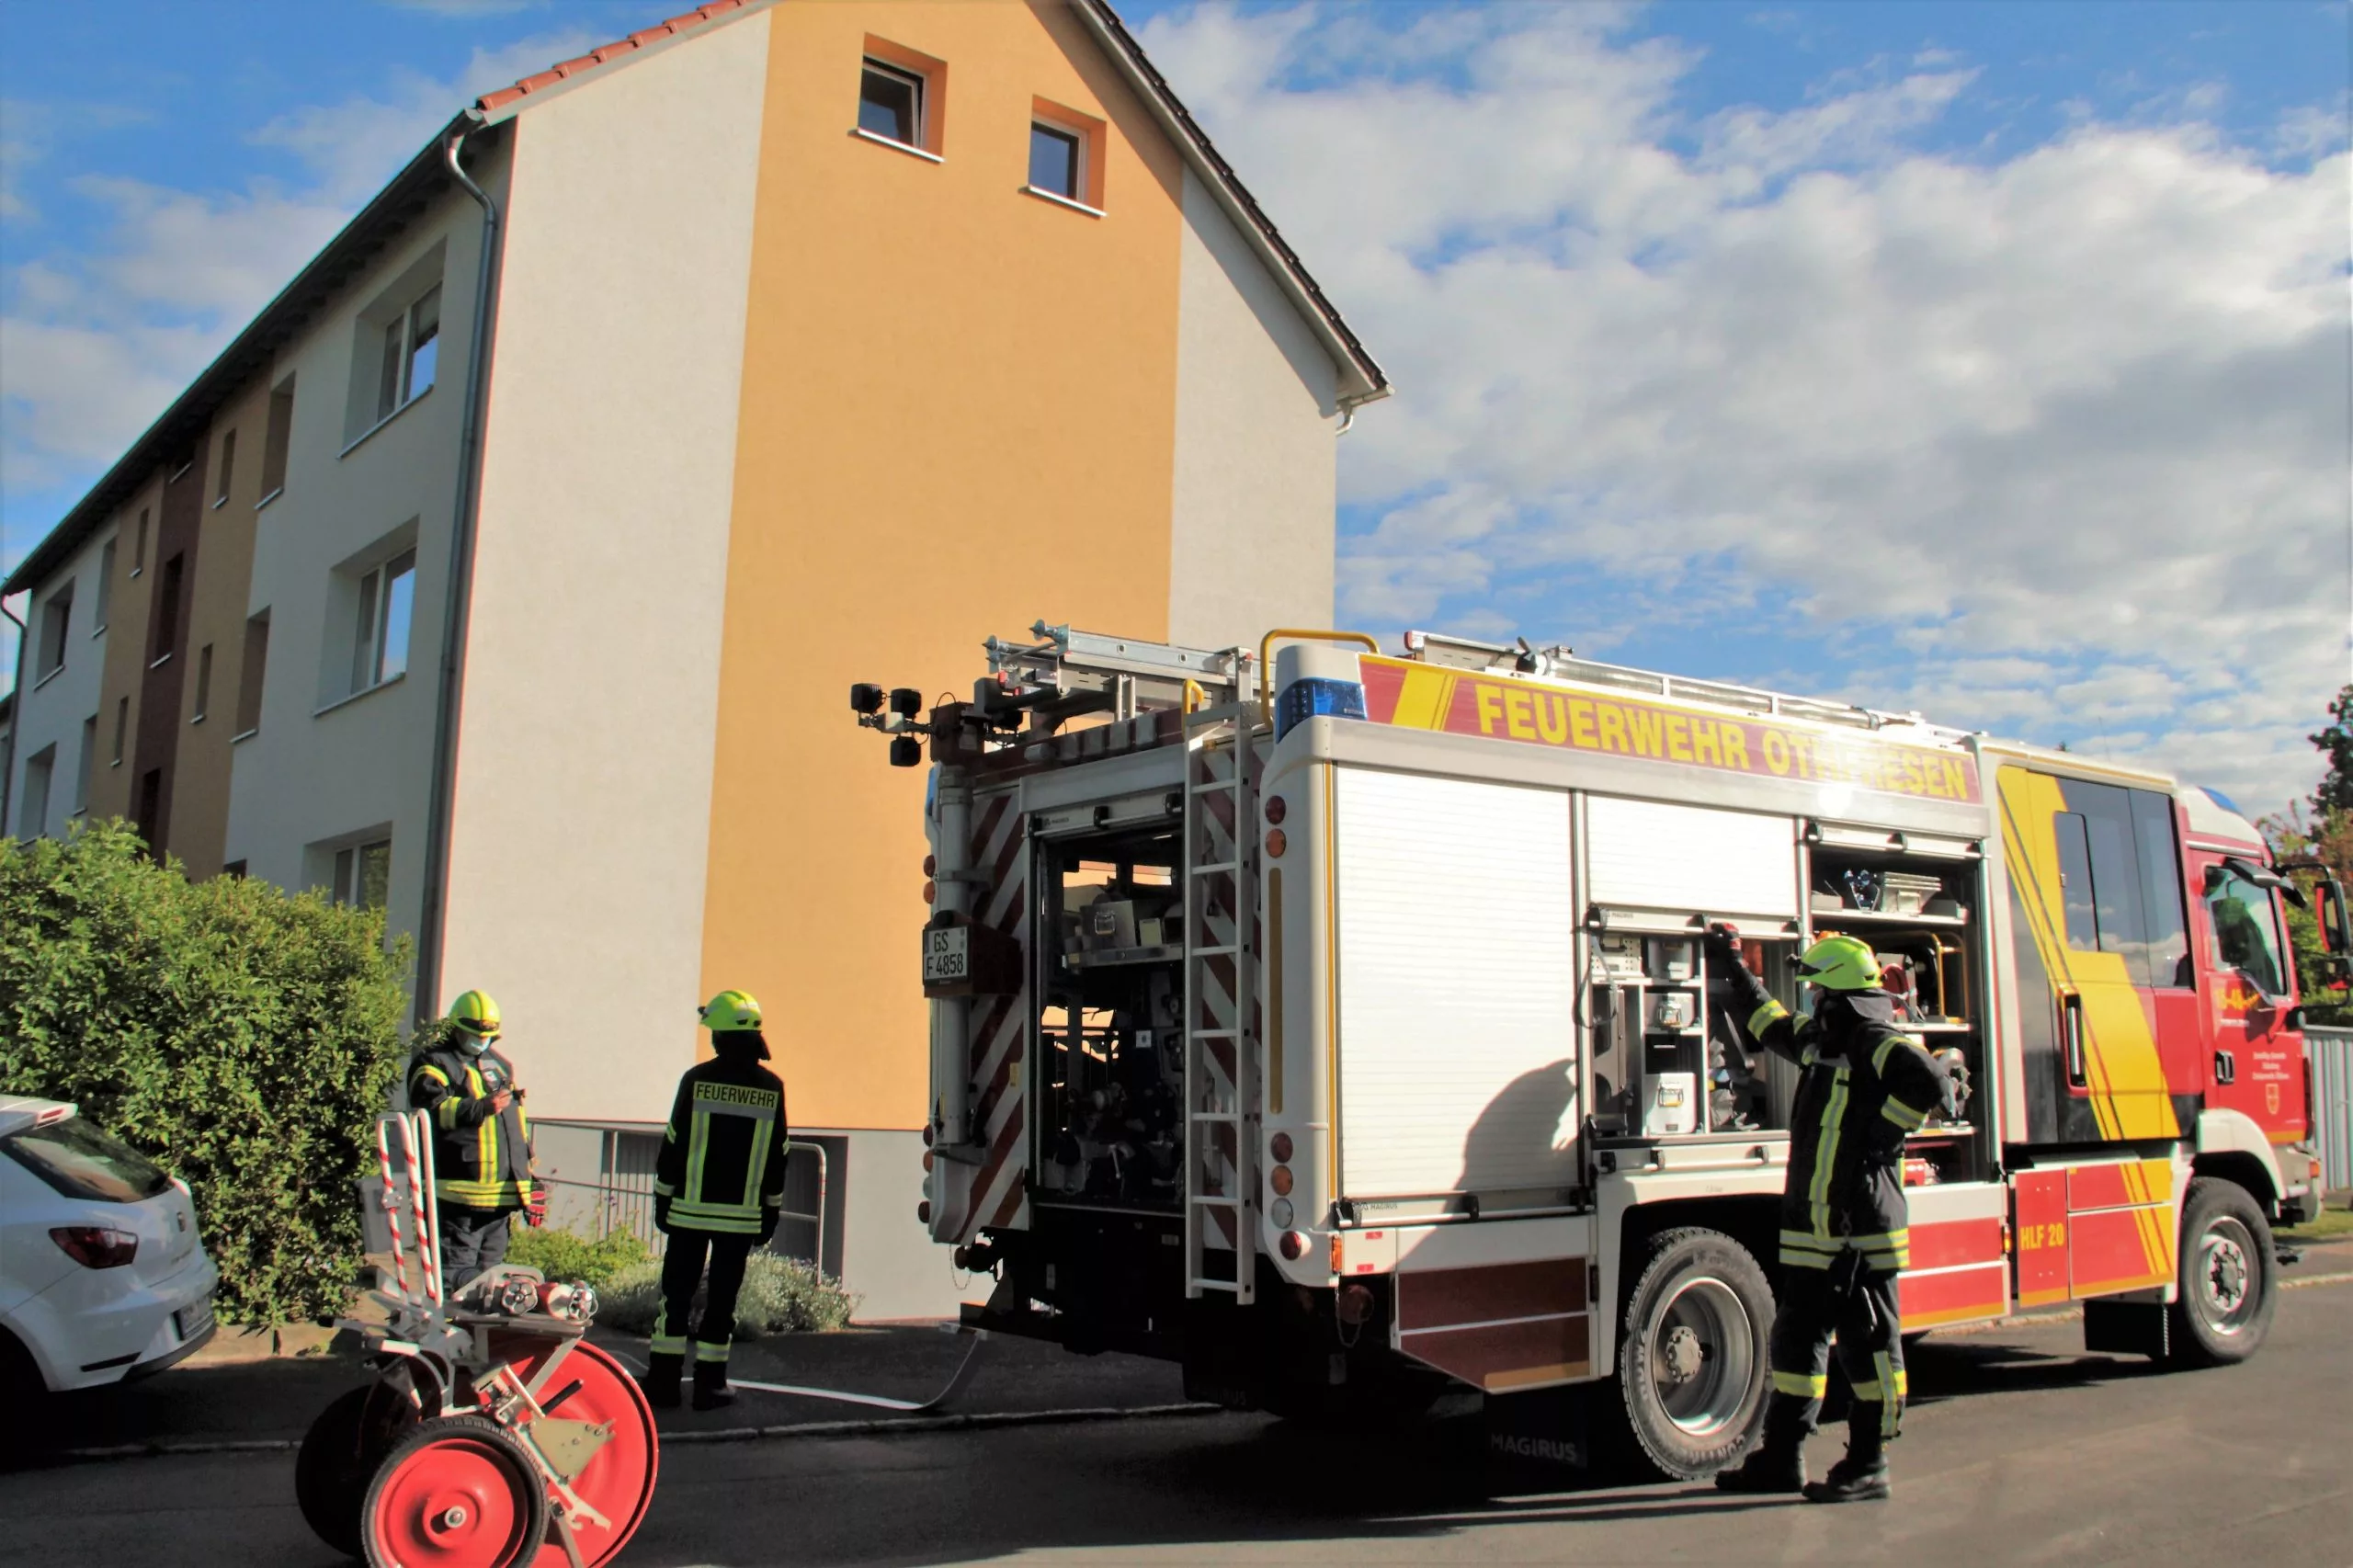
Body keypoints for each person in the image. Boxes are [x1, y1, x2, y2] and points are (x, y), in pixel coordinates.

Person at [1707, 930, 1951, 1504]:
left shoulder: (1874, 1039)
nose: (1812, 999)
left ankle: (1869, 1462)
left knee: (1868, 1348)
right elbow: (1768, 1022)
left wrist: (1881, 1136)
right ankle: (1782, 1458)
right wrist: (1734, 967)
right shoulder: (1826, 1039)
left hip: (1860, 1230)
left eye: (1818, 990)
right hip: (1816, 1230)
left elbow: (1932, 1082)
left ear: (1840, 994)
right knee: (1796, 1344)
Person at [642, 989, 790, 1412]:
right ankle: (710, 1387)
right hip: (741, 1221)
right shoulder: (772, 1087)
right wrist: (771, 1212)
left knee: (675, 1298)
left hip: (688, 1213)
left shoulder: (696, 1080)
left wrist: (662, 1201)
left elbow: (672, 1146)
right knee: (722, 1303)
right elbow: (778, 1156)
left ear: (720, 1036)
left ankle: (665, 1384)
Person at [407, 988, 543, 1294]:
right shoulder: (435, 1064)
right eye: (474, 1034)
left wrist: (530, 1180)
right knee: (458, 1284)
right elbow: (429, 1110)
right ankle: (449, 1337)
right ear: (456, 1028)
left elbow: (513, 1127)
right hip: (459, 1200)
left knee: (491, 1287)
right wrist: (479, 1107)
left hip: (499, 1202)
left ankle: (479, 1342)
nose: (481, 1041)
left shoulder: (499, 1066)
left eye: (488, 1036)